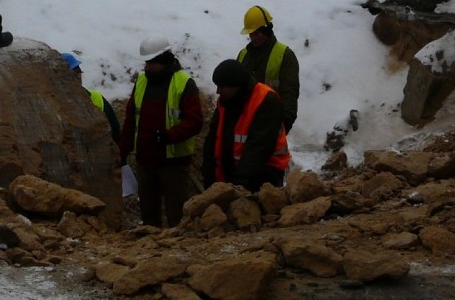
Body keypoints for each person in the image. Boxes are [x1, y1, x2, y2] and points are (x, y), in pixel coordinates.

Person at [118, 35, 204, 228]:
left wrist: (169, 136)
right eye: (146, 63)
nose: (147, 67)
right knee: (149, 216)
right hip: (146, 160)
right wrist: (122, 151)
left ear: (163, 60)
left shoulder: (183, 82)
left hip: (173, 163)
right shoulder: (142, 81)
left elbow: (195, 121)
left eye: (151, 63)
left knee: (176, 216)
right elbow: (131, 119)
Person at [202, 59, 291, 192]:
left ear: (235, 85)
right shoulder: (226, 101)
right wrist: (208, 173)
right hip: (231, 176)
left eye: (221, 86)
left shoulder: (266, 100)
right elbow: (213, 137)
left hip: (263, 176)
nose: (218, 91)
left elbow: (260, 146)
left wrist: (241, 182)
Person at [237, 5, 300, 133]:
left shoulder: (285, 55)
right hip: (244, 124)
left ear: (267, 30)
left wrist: (284, 125)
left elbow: (290, 94)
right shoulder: (243, 55)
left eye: (257, 33)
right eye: (251, 34)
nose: (253, 37)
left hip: (271, 124)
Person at [61, 52, 120, 143]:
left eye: (78, 72)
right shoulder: (55, 104)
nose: (77, 76)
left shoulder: (95, 96)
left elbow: (116, 129)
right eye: (72, 72)